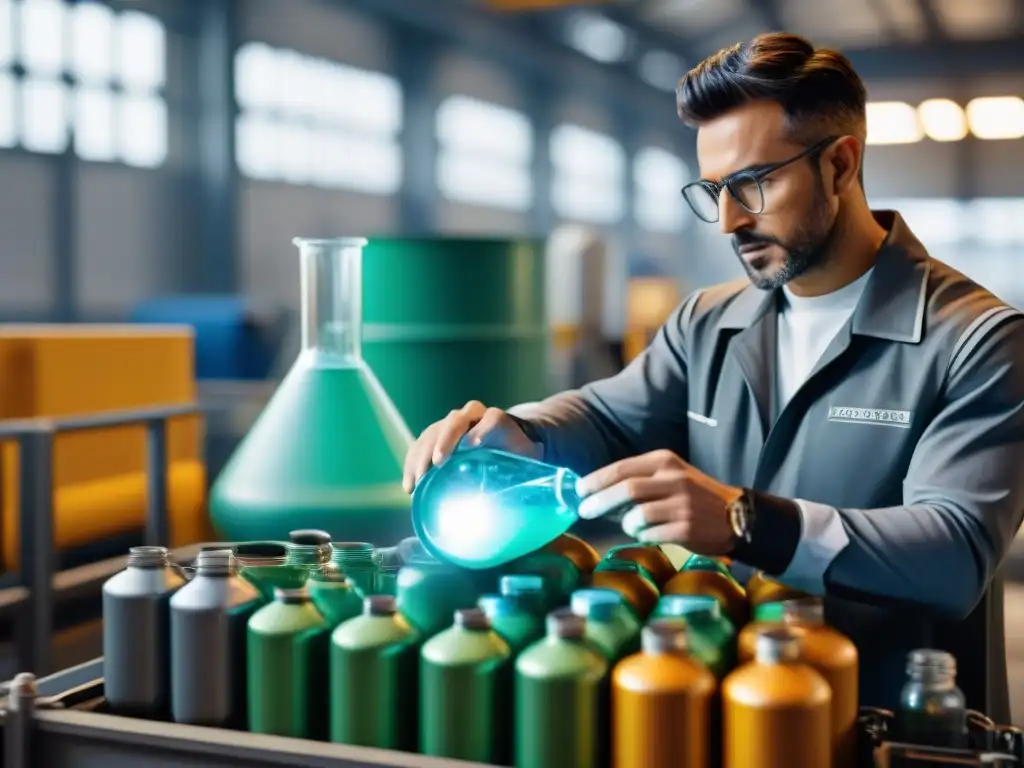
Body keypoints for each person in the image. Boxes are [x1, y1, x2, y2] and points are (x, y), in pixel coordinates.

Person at [403, 32, 1024, 718]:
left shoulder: (976, 341)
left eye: (754, 183)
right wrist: (520, 431)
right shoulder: (707, 322)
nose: (730, 220)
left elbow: (954, 553)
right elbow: (609, 416)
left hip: (888, 725)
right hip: (726, 709)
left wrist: (742, 521)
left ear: (841, 166)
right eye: (715, 189)